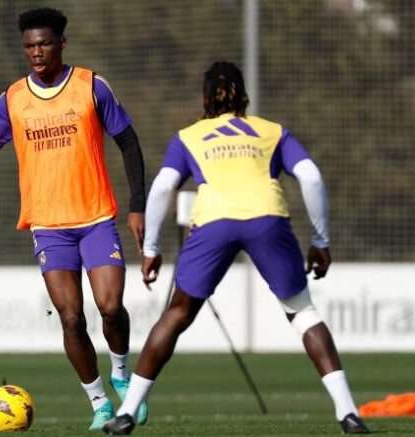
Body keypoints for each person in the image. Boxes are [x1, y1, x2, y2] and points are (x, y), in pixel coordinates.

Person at [102, 61, 370, 435]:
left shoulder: (189, 136)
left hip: (214, 222)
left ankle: (128, 413)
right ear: (244, 96)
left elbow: (163, 187)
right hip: (268, 218)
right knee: (303, 313)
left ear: (205, 98)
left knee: (177, 314)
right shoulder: (272, 131)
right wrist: (320, 240)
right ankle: (348, 413)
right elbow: (310, 175)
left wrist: (151, 248)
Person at [0, 7, 148, 431]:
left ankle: (121, 371)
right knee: (70, 316)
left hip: (96, 217)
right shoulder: (13, 99)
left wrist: (138, 204)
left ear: (62, 43)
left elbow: (129, 141)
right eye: (29, 46)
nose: (37, 52)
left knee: (111, 306)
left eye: (44, 43)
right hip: (48, 224)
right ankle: (100, 402)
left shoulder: (91, 86)